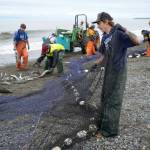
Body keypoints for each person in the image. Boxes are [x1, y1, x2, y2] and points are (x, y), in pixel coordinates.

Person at [92, 12, 139, 137]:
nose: (98, 26)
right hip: (109, 70)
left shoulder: (118, 34)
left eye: (99, 23)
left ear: (106, 21)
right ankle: (103, 125)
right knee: (105, 97)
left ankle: (109, 131)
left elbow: (137, 41)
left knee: (114, 99)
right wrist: (94, 64)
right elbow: (103, 55)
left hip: (118, 71)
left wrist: (125, 29)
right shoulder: (105, 37)